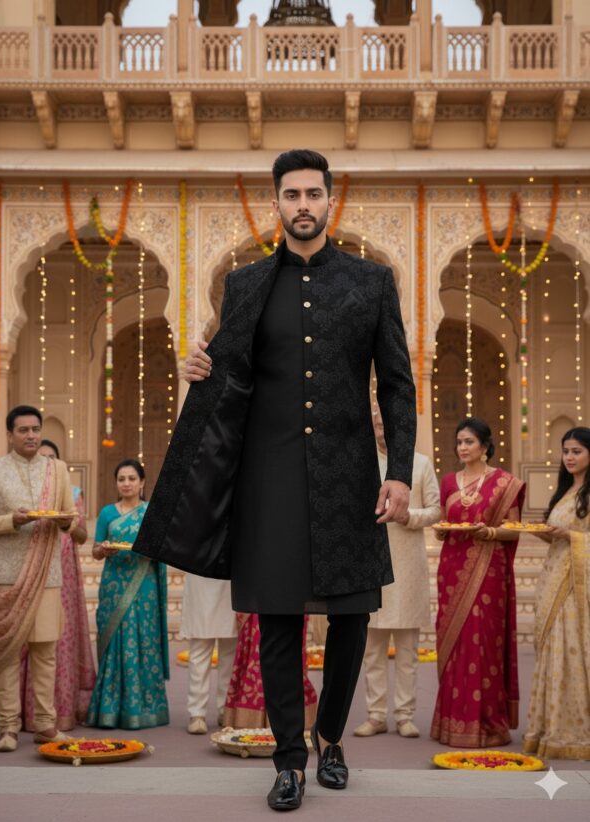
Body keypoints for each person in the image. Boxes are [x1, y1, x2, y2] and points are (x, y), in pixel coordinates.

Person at [133, 149, 416, 811]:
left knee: (352, 615)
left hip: (350, 479)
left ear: (329, 200)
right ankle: (289, 760)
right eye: (292, 195)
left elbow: (399, 389)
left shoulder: (372, 284)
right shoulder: (247, 285)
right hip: (271, 478)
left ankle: (332, 740)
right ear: (278, 203)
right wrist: (197, 373)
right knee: (279, 620)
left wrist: (398, 474)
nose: (303, 206)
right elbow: (229, 376)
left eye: (313, 194)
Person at [430, 417, 525, 748]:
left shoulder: (504, 482)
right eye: (459, 442)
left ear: (485, 446)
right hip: (453, 568)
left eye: (469, 442)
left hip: (489, 571)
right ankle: (452, 723)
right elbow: (444, 521)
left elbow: (514, 528)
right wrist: (442, 530)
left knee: (483, 643)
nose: (462, 448)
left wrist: (490, 532)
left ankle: (486, 724)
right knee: (454, 642)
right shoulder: (448, 482)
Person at [0, 405, 77, 752]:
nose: (30, 435)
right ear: (9, 434)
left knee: (45, 651)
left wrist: (63, 521)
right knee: (8, 653)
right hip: (6, 575)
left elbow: (71, 518)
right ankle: (9, 728)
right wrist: (12, 519)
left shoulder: (57, 470)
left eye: (35, 429)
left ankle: (45, 725)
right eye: (23, 430)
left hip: (47, 573)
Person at [354, 413, 440, 740]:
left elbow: (435, 510)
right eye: (377, 424)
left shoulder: (420, 464)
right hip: (371, 564)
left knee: (407, 650)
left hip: (408, 566)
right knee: (372, 648)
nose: (382, 430)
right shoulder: (362, 461)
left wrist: (408, 516)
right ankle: (376, 715)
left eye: (386, 424)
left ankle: (405, 715)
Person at [86, 459, 169, 729]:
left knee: (143, 640)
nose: (126, 483)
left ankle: (145, 708)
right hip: (114, 585)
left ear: (142, 482)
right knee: (115, 641)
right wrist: (104, 549)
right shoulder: (108, 513)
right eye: (121, 479)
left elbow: (164, 548)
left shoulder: (152, 513)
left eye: (132, 478)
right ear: (116, 483)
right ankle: (110, 709)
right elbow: (96, 550)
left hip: (144, 585)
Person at [523, 427, 590, 759]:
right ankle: (549, 726)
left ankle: (573, 730)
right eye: (566, 451)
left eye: (576, 451)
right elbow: (562, 536)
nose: (570, 457)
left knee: (569, 650)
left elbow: (580, 536)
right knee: (552, 650)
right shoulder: (565, 492)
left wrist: (571, 536)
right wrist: (549, 533)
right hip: (553, 579)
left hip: (575, 588)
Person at [20, 439, 96, 731]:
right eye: (43, 459)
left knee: (58, 639)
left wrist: (67, 523)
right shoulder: (25, 494)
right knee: (27, 638)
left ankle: (58, 713)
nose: (47, 464)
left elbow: (80, 536)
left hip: (61, 571)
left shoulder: (73, 494)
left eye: (52, 459)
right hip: (28, 569)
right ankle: (24, 715)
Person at [223, 614, 317, 730]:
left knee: (290, 652)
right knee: (256, 652)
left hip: (293, 603)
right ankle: (254, 720)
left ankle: (289, 723)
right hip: (258, 605)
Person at [180, 573, 237, 734]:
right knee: (200, 650)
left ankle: (225, 710)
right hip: (199, 573)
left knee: (230, 652)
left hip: (229, 579)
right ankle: (197, 713)